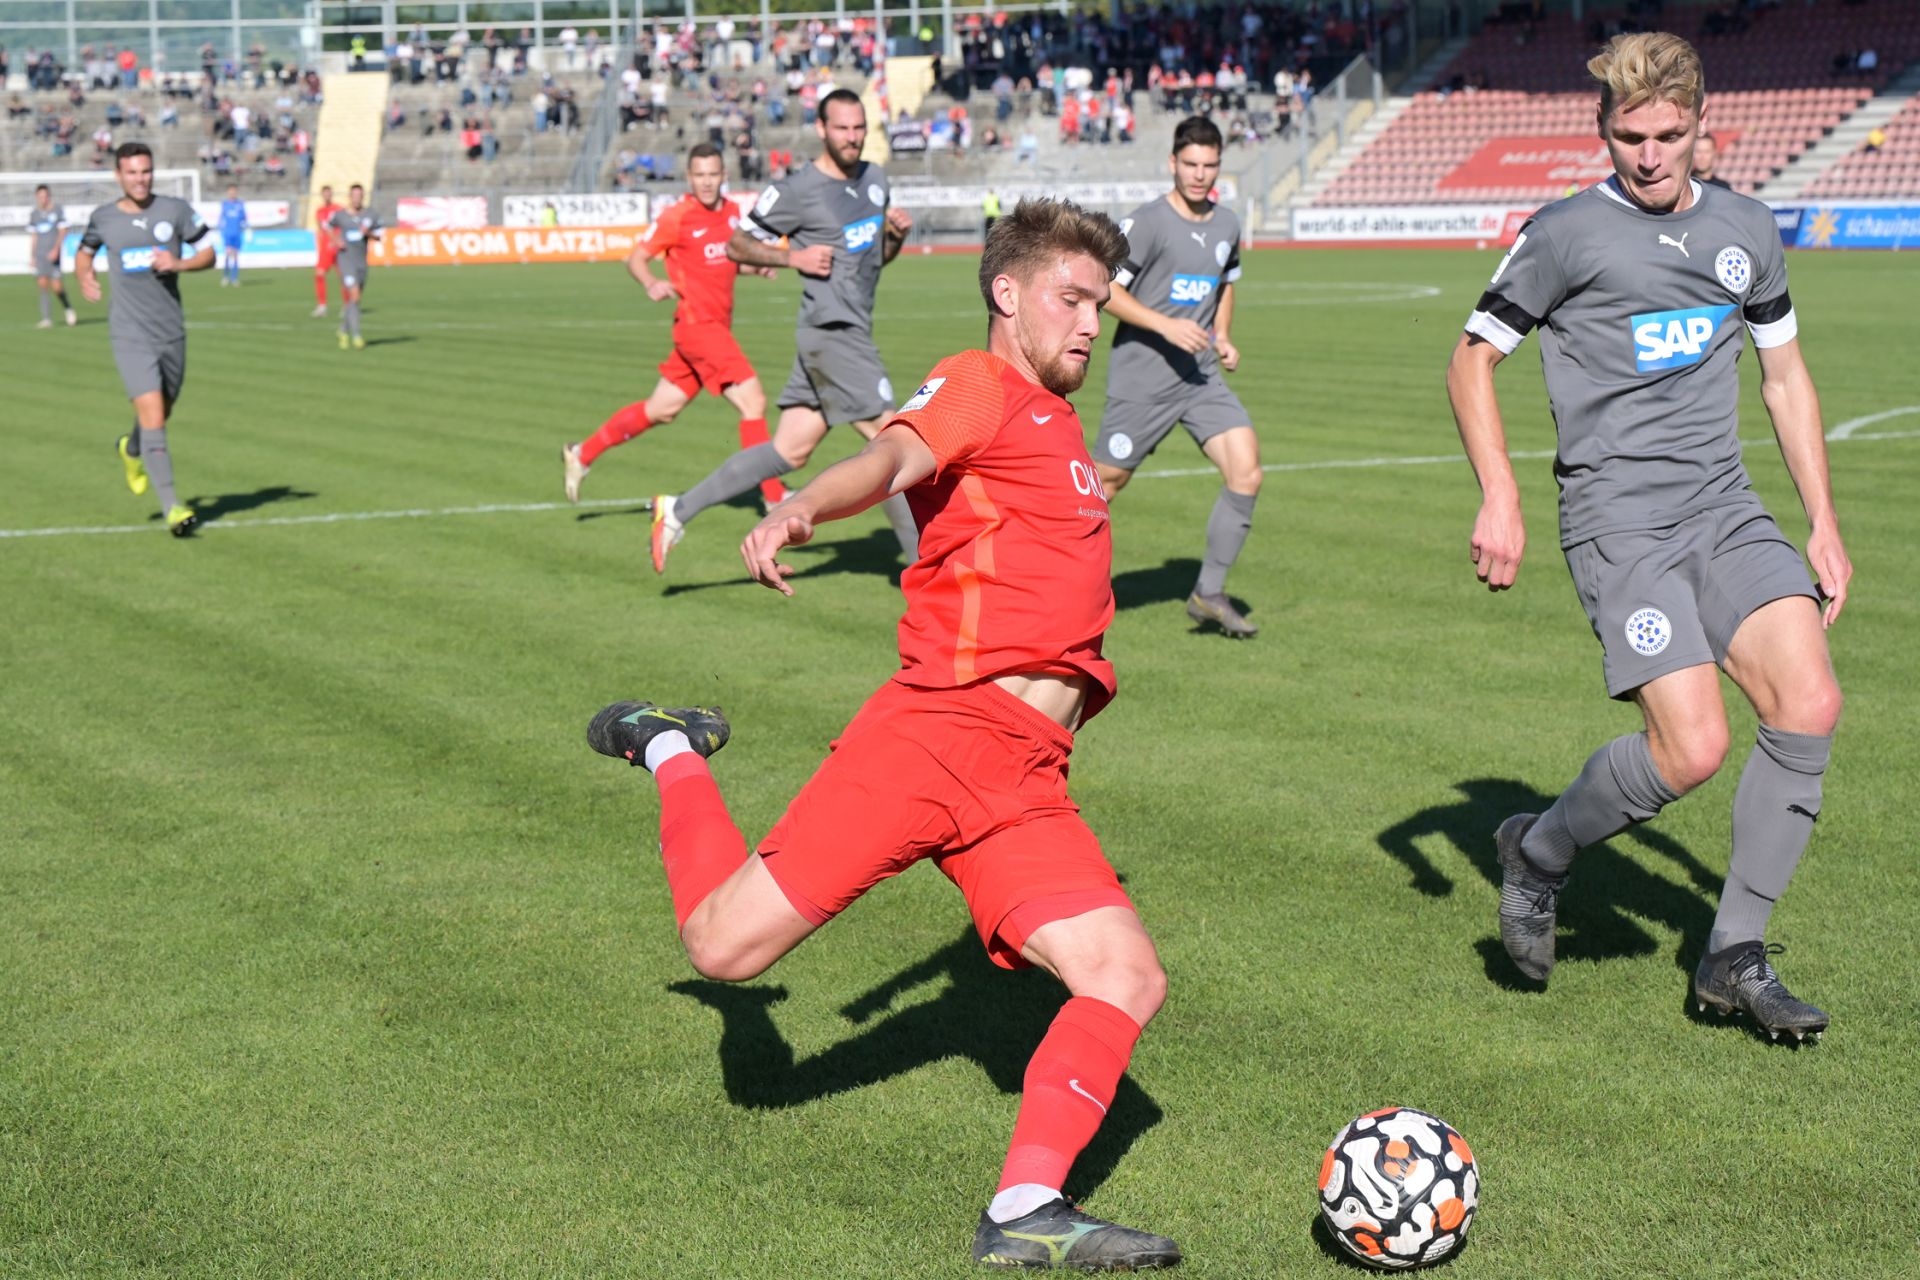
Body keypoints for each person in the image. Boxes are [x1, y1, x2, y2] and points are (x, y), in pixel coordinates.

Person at [585, 198, 1182, 1271]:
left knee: (1125, 973)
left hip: (1025, 775)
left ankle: (1024, 1209)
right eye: (1073, 299)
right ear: (1009, 294)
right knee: (723, 949)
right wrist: (805, 505)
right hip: (938, 735)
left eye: (1100, 302)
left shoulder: (1060, 427)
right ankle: (668, 743)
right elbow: (895, 456)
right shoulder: (979, 381)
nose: (1092, 322)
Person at [1446, 33, 1848, 1041]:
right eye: (1631, 136)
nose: (1652, 154)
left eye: (1671, 133)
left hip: (1725, 503)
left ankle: (1732, 956)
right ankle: (1539, 850)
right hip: (1618, 518)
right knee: (1695, 746)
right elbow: (1471, 361)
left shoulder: (1747, 227)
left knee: (1810, 700)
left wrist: (1824, 522)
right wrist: (1501, 493)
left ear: (1701, 126)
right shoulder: (1567, 233)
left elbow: (1786, 377)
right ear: (1605, 133)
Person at [649, 88, 917, 574]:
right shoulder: (799, 189)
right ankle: (926, 567)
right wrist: (792, 257)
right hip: (831, 331)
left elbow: (875, 261)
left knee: (788, 451)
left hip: (851, 325)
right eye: (842, 128)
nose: (852, 137)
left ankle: (677, 510)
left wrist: (895, 236)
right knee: (892, 440)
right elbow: (736, 244)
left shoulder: (876, 180)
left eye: (859, 128)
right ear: (822, 129)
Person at [1092, 116, 1262, 638]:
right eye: (1191, 164)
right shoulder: (1145, 223)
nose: (1200, 174)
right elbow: (1105, 289)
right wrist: (1167, 325)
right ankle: (1037, 583)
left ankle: (1209, 593)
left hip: (1199, 375)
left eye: (1210, 165)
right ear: (1173, 163)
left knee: (1246, 471)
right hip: (1143, 375)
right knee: (1103, 486)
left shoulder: (1227, 224)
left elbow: (1225, 283)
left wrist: (1223, 334)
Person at [561, 144, 782, 507]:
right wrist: (650, 282)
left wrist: (754, 267)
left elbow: (724, 261)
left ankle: (582, 454)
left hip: (712, 329)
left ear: (723, 176)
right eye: (700, 175)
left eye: (713, 174)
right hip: (698, 328)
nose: (707, 182)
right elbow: (636, 258)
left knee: (661, 409)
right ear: (689, 178)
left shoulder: (731, 214)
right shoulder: (677, 216)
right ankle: (774, 499)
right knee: (753, 401)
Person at [75, 142, 215, 537]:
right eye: (132, 172)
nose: (140, 179)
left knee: (160, 413)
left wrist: (180, 262)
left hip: (170, 332)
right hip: (129, 332)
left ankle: (131, 450)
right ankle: (173, 507)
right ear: (118, 176)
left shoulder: (174, 211)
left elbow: (209, 253)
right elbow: (84, 253)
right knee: (153, 414)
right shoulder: (103, 218)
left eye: (146, 171)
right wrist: (84, 274)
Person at [327, 183, 382, 350]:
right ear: (350, 197)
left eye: (360, 195)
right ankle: (357, 335)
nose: (357, 198)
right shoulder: (341, 215)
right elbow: (327, 226)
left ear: (363, 197)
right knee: (355, 295)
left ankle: (343, 330)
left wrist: (369, 234)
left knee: (354, 300)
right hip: (345, 260)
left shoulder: (370, 215)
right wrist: (336, 240)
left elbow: (379, 236)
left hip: (361, 262)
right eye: (354, 195)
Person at [28, 184, 77, 328]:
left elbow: (63, 230)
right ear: (37, 197)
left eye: (45, 196)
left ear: (49, 196)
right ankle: (46, 318)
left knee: (57, 287)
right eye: (40, 196)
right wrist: (32, 256)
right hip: (40, 255)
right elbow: (34, 236)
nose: (43, 199)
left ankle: (68, 307)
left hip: (53, 255)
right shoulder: (35, 214)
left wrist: (56, 249)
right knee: (42, 285)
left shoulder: (57, 211)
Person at [310, 183, 343, 317]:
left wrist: (337, 241)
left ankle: (347, 306)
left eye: (329, 193)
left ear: (331, 194)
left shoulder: (339, 209)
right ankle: (322, 306)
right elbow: (321, 229)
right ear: (322, 195)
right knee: (319, 274)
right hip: (325, 249)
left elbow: (342, 227)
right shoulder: (319, 211)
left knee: (344, 278)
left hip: (338, 248)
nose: (327, 195)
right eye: (325, 193)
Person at [217, 182, 248, 285]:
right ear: (227, 192)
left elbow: (244, 219)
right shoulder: (225, 204)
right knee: (228, 253)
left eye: (234, 191)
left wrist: (247, 228)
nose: (232, 193)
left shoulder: (240, 204)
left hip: (237, 233)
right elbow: (221, 219)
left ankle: (234, 278)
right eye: (230, 191)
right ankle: (225, 276)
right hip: (227, 233)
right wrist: (220, 230)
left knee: (235, 255)